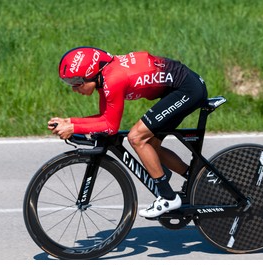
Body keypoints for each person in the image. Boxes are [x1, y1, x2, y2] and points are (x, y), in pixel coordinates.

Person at [49, 46, 208, 218]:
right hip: (178, 88)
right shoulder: (104, 76)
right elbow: (104, 117)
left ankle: (168, 197)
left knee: (137, 138)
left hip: (187, 90)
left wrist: (73, 127)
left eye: (76, 82)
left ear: (90, 74)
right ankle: (197, 181)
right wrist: (70, 122)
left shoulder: (113, 79)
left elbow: (110, 126)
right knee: (151, 146)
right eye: (69, 83)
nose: (74, 88)